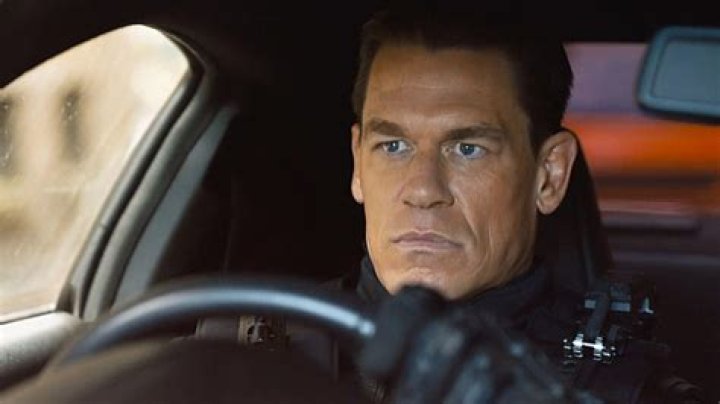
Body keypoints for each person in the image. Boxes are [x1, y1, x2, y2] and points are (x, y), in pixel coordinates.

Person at [330, 5, 706, 403]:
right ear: (358, 165)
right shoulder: (287, 341)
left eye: (468, 149)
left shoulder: (617, 391)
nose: (423, 191)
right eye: (393, 146)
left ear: (549, 175)